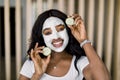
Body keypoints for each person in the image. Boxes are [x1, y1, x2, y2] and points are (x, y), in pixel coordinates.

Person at [19, 9, 111, 80]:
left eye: (60, 29)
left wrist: (84, 40)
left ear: (68, 30)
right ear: (41, 37)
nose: (56, 36)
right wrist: (37, 75)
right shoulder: (32, 64)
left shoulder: (80, 61)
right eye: (47, 33)